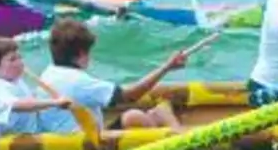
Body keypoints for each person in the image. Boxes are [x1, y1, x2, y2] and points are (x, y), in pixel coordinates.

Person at [38, 19, 187, 134]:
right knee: (133, 116)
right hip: (87, 145)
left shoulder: (47, 74)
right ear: (82, 54)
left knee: (137, 116)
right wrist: (166, 67)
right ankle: (174, 127)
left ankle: (158, 116)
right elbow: (130, 96)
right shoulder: (77, 81)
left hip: (66, 138)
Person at [0, 38, 73, 137]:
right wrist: (54, 103)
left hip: (31, 131)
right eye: (12, 60)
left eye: (20, 57)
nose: (19, 63)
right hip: (4, 143)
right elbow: (18, 105)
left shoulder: (10, 76)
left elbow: (29, 98)